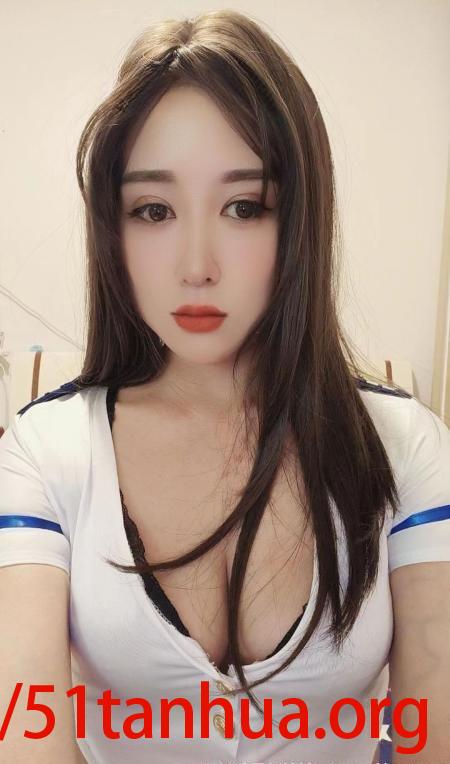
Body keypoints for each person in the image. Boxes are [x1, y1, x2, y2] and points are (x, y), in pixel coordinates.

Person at [1, 9, 449, 764]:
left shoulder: (405, 447)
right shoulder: (45, 451)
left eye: (244, 207)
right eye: (154, 210)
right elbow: (27, 732)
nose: (196, 265)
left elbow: (433, 726)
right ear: (113, 229)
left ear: (299, 217)